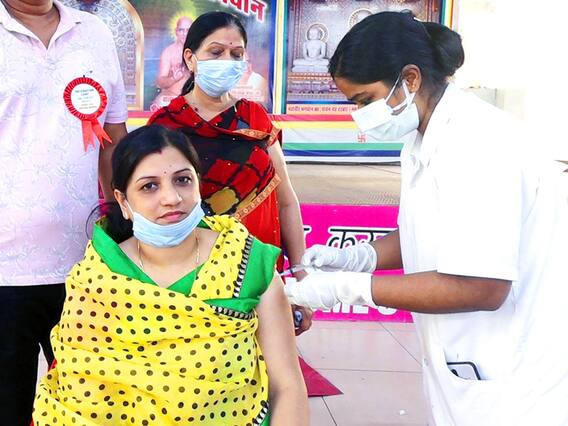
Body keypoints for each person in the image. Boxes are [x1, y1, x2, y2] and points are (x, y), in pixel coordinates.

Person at [285, 11, 568, 426]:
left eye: (364, 100)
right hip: (466, 364)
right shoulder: (423, 139)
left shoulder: (479, 144)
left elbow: (483, 285)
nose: (359, 115)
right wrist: (356, 257)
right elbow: (425, 233)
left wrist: (347, 288)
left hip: (515, 377)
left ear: (410, 78)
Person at [33, 125, 309, 425]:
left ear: (198, 184)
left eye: (183, 180)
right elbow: (74, 394)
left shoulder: (246, 262)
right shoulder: (97, 279)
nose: (172, 198)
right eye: (149, 186)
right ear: (123, 202)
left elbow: (287, 386)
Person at [0, 0, 127, 424]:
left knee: (93, 408)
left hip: (87, 267)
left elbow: (114, 138)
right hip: (5, 272)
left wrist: (126, 230)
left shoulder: (94, 32)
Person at [148, 11, 312, 334]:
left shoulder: (256, 119)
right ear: (190, 58)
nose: (227, 61)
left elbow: (286, 202)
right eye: (216, 52)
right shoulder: (165, 125)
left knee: (267, 361)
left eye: (236, 54)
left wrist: (301, 275)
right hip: (186, 281)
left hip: (257, 273)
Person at [150, 16, 193, 111]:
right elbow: (160, 82)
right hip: (172, 97)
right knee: (161, 101)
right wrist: (174, 78)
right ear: (176, 31)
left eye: (188, 30)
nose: (185, 34)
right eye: (181, 30)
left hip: (193, 100)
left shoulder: (199, 51)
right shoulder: (168, 52)